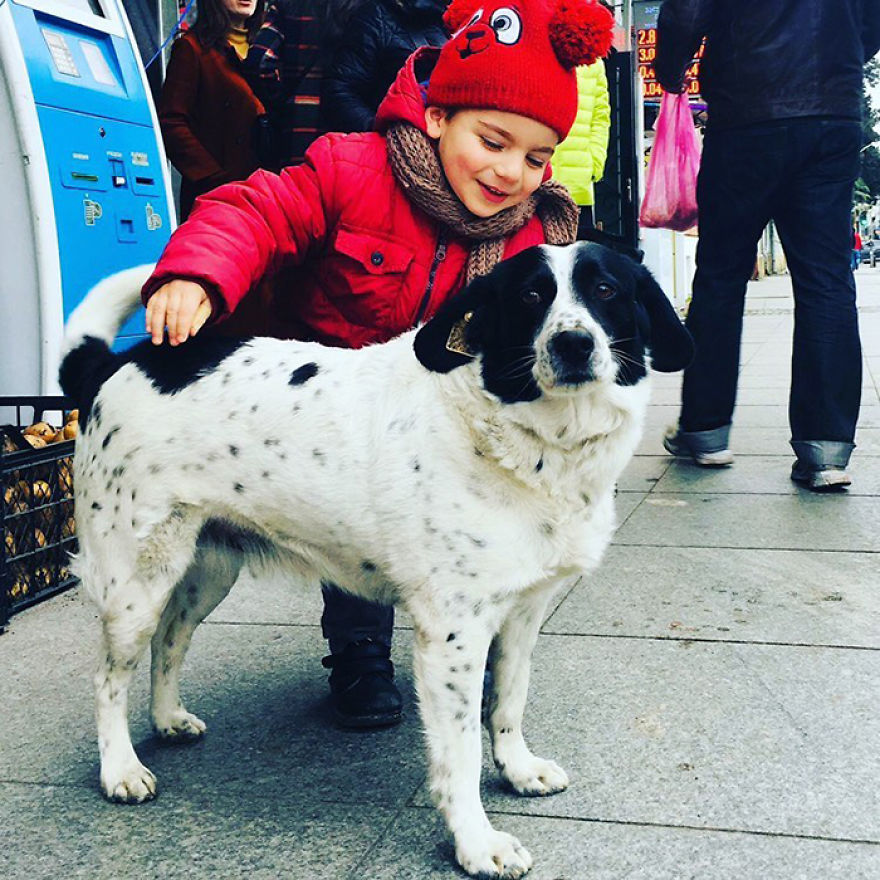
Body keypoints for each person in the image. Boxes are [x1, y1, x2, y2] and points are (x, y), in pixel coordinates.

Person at [139, 0, 615, 726]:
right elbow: (259, 210)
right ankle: (359, 652)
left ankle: (476, 635)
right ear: (436, 117)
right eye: (493, 140)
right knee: (358, 523)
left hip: (448, 420)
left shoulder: (528, 241)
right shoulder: (351, 166)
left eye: (535, 156)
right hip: (336, 401)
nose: (511, 171)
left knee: (478, 523)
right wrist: (198, 273)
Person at [655, 0, 880, 492]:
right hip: (833, 114)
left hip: (747, 113)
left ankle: (706, 430)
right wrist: (839, 57)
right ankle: (826, 449)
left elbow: (686, 13)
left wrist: (670, 70)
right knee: (827, 279)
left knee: (720, 274)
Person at [158, 0, 267, 220]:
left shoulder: (268, 48)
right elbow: (171, 122)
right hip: (216, 199)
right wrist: (213, 177)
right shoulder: (192, 48)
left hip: (263, 195)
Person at [243, 0, 362, 167]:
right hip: (351, 141)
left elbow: (259, 61)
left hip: (297, 135)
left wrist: (281, 101)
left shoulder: (290, 5)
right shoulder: (366, 9)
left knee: (296, 190)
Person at [321, 0, 448, 134]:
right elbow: (338, 92)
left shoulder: (467, 18)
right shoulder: (377, 16)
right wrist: (384, 134)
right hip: (398, 143)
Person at [551, 58, 611, 239]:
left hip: (578, 185)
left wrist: (595, 162)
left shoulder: (592, 62)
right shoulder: (534, 47)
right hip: (532, 184)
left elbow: (600, 116)